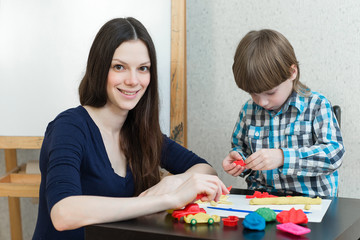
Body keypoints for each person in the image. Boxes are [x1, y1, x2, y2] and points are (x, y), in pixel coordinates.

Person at [33, 17, 228, 240]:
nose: (133, 80)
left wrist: (173, 181)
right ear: (99, 69)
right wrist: (166, 199)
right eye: (119, 67)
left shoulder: (137, 130)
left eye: (143, 69)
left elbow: (205, 169)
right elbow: (63, 213)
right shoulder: (69, 127)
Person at [222, 29, 344, 197]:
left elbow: (334, 155)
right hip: (261, 200)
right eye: (253, 94)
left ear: (292, 72)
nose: (262, 102)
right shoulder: (248, 111)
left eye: (270, 93)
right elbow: (240, 147)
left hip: (312, 203)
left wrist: (283, 157)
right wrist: (238, 161)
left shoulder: (317, 105)